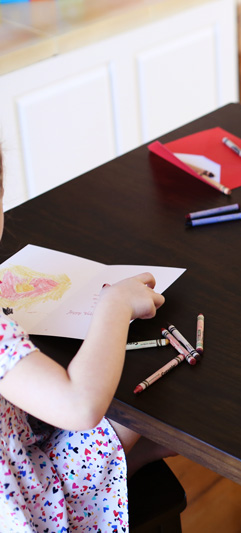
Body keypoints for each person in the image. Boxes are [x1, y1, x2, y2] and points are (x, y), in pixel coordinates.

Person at [0, 149, 171, 531]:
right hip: (28, 508)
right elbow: (80, 407)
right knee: (149, 397)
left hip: (19, 445)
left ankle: (127, 459)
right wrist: (115, 302)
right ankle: (121, 467)